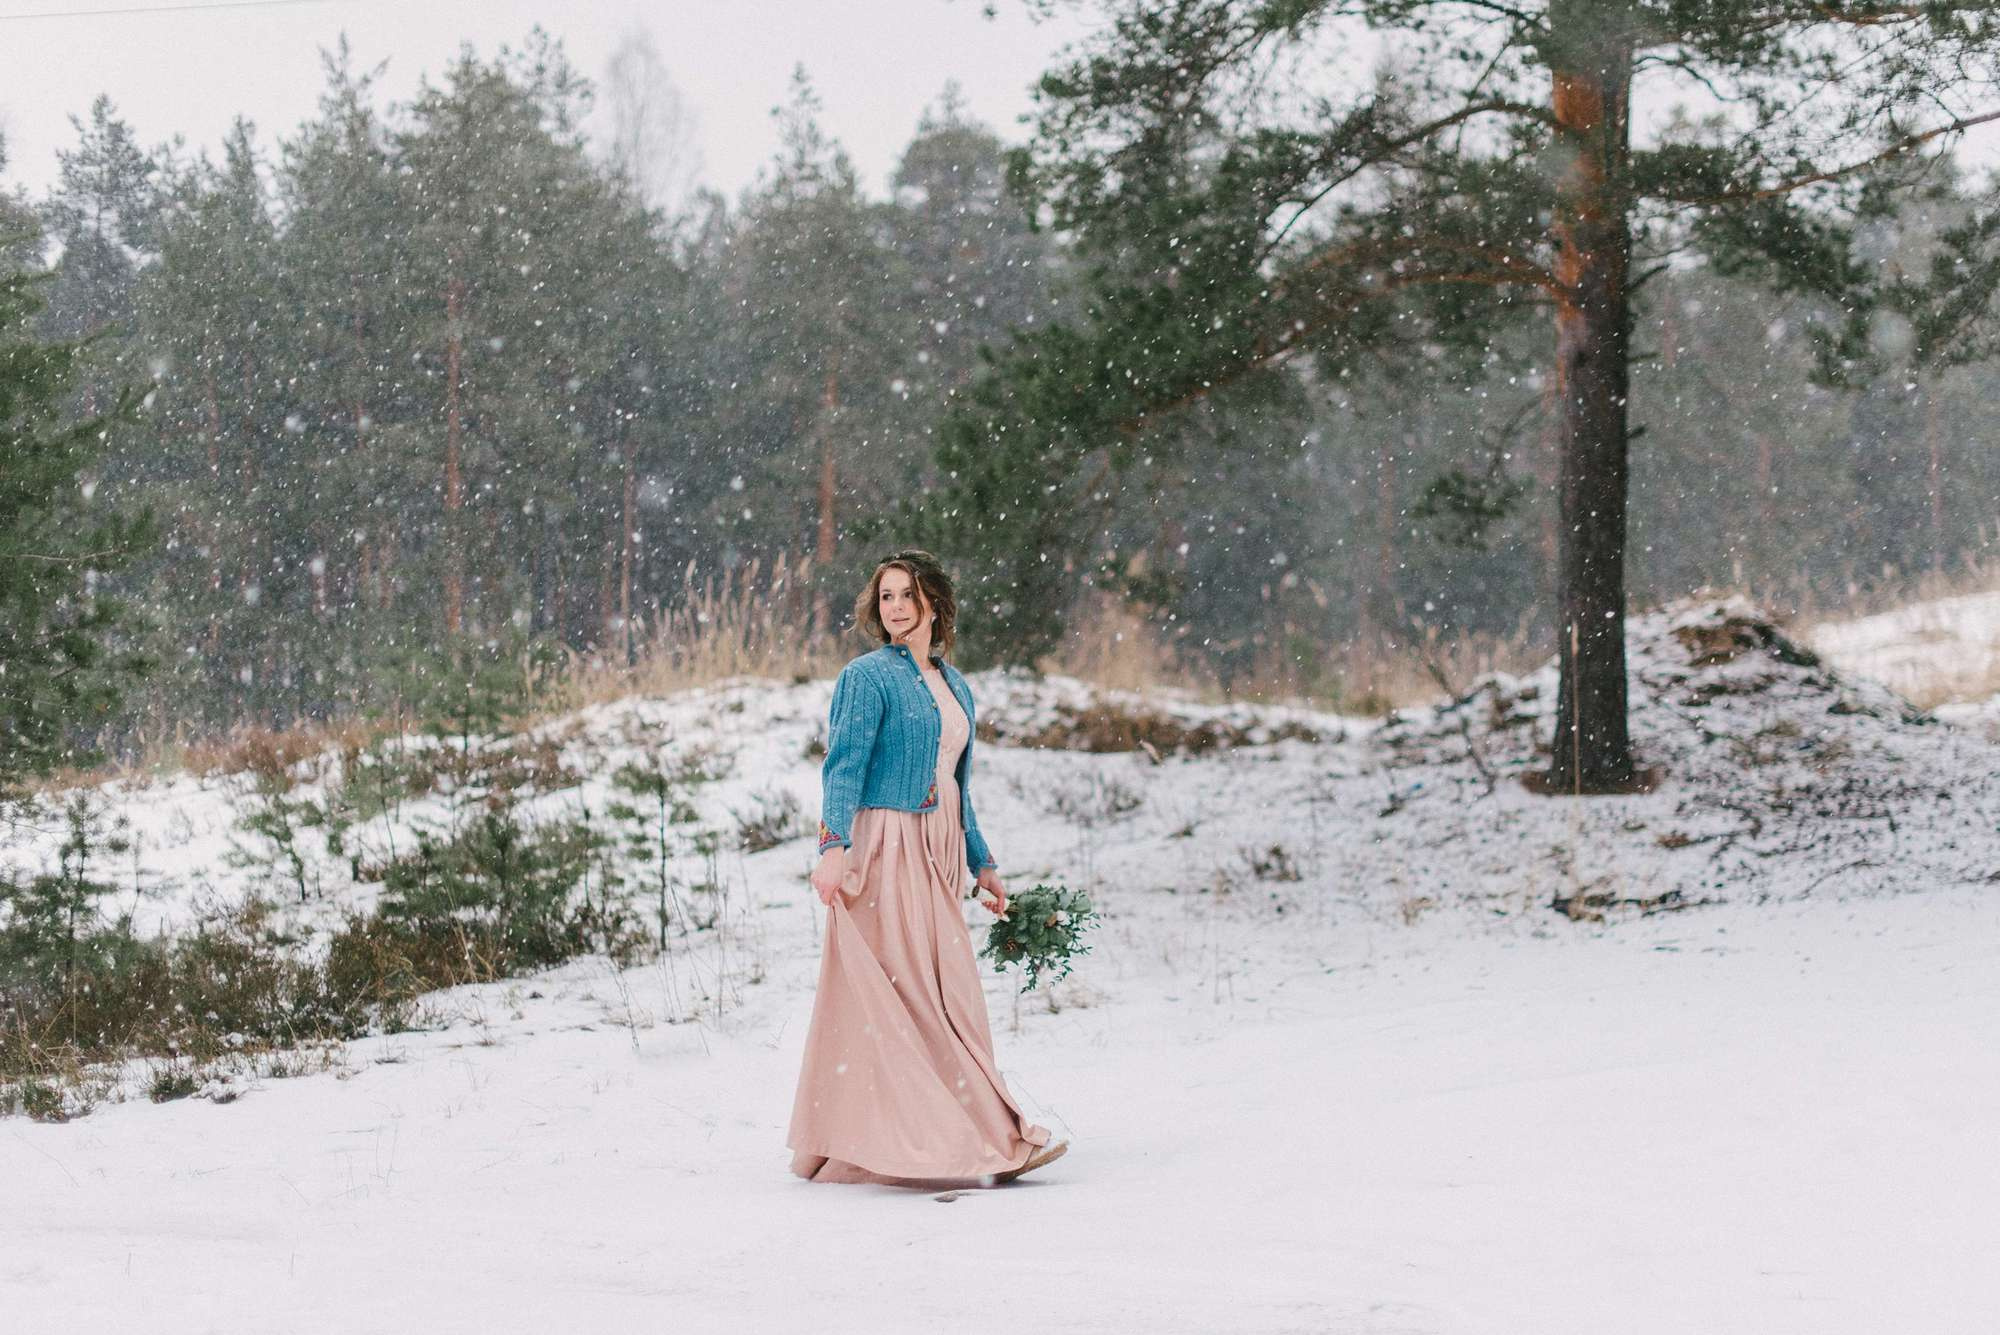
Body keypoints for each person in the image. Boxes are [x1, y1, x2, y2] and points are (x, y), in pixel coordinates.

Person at [786, 549, 1068, 1187]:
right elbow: (844, 767)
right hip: (887, 845)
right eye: (885, 596)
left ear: (934, 604)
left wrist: (982, 861)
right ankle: (971, 1138)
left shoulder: (955, 683)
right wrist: (833, 847)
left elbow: (957, 782)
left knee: (948, 992)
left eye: (906, 595)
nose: (894, 608)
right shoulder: (866, 677)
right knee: (911, 995)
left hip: (939, 848)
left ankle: (939, 1131)